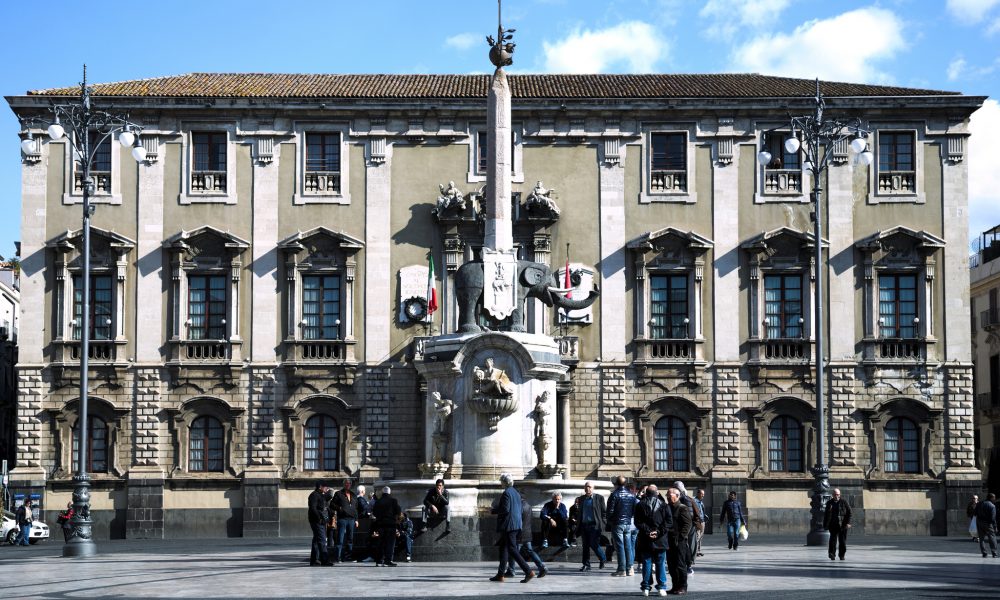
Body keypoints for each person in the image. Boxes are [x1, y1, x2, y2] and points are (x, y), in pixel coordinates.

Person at [490, 473, 535, 583]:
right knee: (504, 548)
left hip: (508, 525)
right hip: (516, 524)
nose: (501, 483)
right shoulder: (516, 493)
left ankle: (528, 571)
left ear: (504, 482)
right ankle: (500, 574)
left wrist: (493, 510)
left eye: (501, 481)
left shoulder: (506, 493)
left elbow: (505, 509)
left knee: (512, 549)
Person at [634, 484, 672, 597]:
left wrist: (648, 531)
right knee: (660, 563)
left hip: (645, 539)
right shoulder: (664, 505)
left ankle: (646, 587)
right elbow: (669, 522)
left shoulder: (640, 505)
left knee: (647, 563)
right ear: (657, 493)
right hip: (661, 539)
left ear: (646, 493)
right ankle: (661, 587)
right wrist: (658, 532)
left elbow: (638, 522)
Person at [607, 475, 638, 577]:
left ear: (616, 483)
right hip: (628, 523)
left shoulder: (614, 494)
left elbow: (610, 511)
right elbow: (634, 510)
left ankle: (622, 569)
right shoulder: (631, 495)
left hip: (617, 523)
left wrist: (610, 521)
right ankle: (630, 569)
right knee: (628, 546)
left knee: (620, 546)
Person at [574, 481, 608, 572]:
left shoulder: (599, 498)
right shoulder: (581, 499)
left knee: (594, 544)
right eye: (586, 487)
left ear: (593, 488)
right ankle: (586, 564)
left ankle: (603, 558)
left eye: (589, 487)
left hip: (595, 526)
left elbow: (604, 512)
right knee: (585, 546)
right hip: (584, 525)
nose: (587, 488)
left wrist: (603, 524)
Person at [665, 487, 692, 595]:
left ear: (677, 496)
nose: (667, 496)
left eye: (669, 494)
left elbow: (687, 524)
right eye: (667, 494)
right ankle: (675, 586)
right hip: (669, 540)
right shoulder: (667, 507)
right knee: (671, 565)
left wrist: (681, 537)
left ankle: (683, 586)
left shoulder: (682, 508)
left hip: (679, 541)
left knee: (680, 564)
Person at [672, 481, 701, 572]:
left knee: (684, 543)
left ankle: (686, 562)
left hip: (684, 524)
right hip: (691, 524)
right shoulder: (689, 498)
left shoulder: (679, 499)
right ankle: (690, 561)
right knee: (690, 543)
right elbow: (696, 512)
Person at [372, 486, 402, 566]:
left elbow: (374, 512)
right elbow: (398, 511)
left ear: (382, 492)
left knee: (381, 542)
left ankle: (379, 561)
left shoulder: (378, 501)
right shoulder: (393, 501)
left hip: (380, 524)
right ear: (389, 492)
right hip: (391, 524)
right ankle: (388, 560)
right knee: (390, 543)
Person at [331, 478, 359, 562]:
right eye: (346, 483)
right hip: (342, 519)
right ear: (344, 484)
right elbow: (332, 504)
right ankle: (337, 557)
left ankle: (348, 557)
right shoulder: (339, 494)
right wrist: (339, 508)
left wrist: (356, 519)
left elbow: (356, 508)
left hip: (351, 520)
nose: (348, 485)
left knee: (350, 539)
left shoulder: (353, 495)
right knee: (340, 539)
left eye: (349, 483)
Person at [307, 482, 333, 566]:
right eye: (325, 486)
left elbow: (325, 502)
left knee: (316, 540)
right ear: (320, 487)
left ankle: (314, 560)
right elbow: (313, 508)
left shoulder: (321, 495)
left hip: (321, 521)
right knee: (322, 540)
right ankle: (324, 560)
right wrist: (319, 518)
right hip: (317, 521)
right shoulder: (314, 495)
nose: (326, 488)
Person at [823, 488, 852, 561]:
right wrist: (825, 525)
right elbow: (826, 515)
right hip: (833, 524)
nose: (837, 496)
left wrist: (847, 522)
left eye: (838, 494)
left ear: (840, 494)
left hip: (842, 525)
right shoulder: (829, 503)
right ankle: (832, 554)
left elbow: (849, 512)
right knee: (832, 541)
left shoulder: (844, 502)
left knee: (842, 541)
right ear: (832, 495)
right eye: (835, 495)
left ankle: (841, 555)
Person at [975, 492, 998, 558]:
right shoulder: (992, 506)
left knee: (981, 539)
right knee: (992, 537)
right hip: (988, 523)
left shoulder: (979, 503)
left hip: (979, 522)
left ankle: (984, 553)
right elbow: (993, 518)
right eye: (994, 498)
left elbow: (975, 513)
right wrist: (995, 526)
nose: (994, 499)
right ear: (991, 498)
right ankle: (994, 553)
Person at [693, 489, 707, 558]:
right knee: (697, 536)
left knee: (700, 536)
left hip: (702, 521)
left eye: (703, 494)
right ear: (698, 493)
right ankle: (694, 551)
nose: (703, 495)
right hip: (698, 521)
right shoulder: (694, 501)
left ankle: (698, 551)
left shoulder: (700, 502)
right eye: (702, 494)